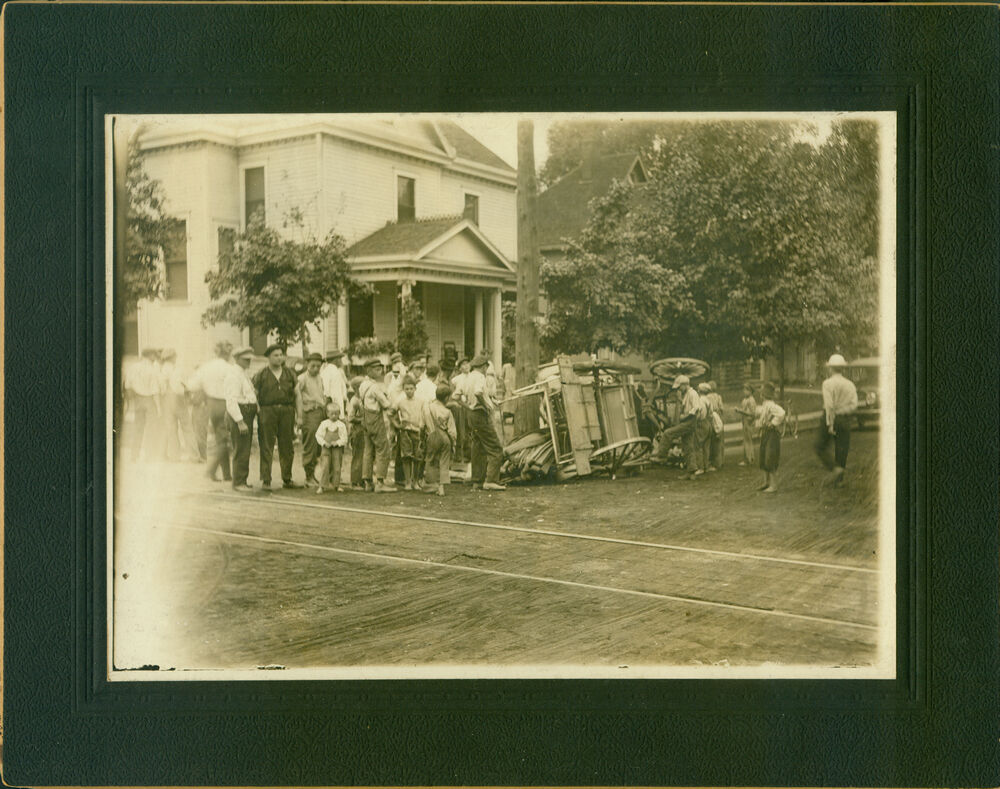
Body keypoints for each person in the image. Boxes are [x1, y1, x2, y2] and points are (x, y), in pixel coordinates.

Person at [253, 344, 303, 490]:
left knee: (287, 446)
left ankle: (287, 478)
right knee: (266, 445)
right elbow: (254, 395)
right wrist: (259, 411)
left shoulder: (290, 374)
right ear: (268, 357)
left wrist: (299, 416)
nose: (279, 358)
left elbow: (297, 395)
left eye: (281, 355)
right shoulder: (261, 374)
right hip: (267, 411)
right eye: (275, 355)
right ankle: (266, 480)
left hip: (287, 411)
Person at [190, 341, 234, 481]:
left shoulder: (206, 367)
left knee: (221, 439)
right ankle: (210, 471)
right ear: (228, 353)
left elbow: (192, 385)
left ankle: (226, 474)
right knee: (224, 440)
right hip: (224, 403)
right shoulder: (229, 368)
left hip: (211, 404)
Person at [460, 355, 505, 490]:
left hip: (472, 414)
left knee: (478, 447)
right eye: (486, 367)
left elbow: (456, 396)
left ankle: (477, 480)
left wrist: (468, 406)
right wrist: (486, 405)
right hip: (480, 414)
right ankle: (491, 480)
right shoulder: (480, 377)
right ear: (484, 367)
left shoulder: (468, 377)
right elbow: (478, 392)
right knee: (495, 447)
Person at [815, 353, 859, 486]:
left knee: (819, 446)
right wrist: (842, 412)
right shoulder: (850, 384)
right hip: (844, 419)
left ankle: (834, 469)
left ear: (830, 368)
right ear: (843, 368)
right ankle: (839, 480)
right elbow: (854, 405)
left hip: (830, 417)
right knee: (842, 448)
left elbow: (829, 405)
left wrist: (830, 423)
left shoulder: (827, 383)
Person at [358, 358, 396, 492]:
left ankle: (368, 482)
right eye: (377, 369)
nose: (380, 372)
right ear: (369, 371)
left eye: (380, 369)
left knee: (368, 450)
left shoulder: (363, 384)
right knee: (382, 449)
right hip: (375, 417)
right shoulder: (374, 387)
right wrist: (392, 404)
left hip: (365, 418)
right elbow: (385, 404)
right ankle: (380, 482)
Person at [657, 375, 705, 480]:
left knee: (668, 433)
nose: (679, 389)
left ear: (684, 384)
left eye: (679, 387)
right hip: (688, 421)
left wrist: (685, 416)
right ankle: (691, 471)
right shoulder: (686, 394)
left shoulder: (692, 393)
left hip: (690, 421)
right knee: (688, 446)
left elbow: (697, 408)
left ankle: (661, 455)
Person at [225, 346, 259, 492]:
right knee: (241, 449)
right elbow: (231, 401)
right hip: (240, 413)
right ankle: (238, 482)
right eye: (245, 359)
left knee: (245, 448)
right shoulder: (233, 375)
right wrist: (240, 421)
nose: (249, 362)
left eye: (249, 359)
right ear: (237, 359)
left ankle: (242, 480)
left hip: (247, 412)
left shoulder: (242, 373)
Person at [123, 348, 162, 462]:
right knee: (151, 429)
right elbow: (155, 390)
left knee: (138, 428)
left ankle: (134, 456)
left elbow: (127, 385)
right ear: (150, 356)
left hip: (137, 400)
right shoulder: (152, 369)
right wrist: (159, 407)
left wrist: (133, 398)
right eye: (154, 355)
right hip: (150, 400)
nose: (155, 358)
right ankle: (149, 456)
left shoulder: (133, 368)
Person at [296, 352, 327, 485]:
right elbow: (297, 396)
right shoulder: (302, 379)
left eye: (318, 366)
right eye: (313, 366)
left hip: (320, 412)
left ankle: (313, 473)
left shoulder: (320, 378)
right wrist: (299, 416)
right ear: (307, 364)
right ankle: (308, 475)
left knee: (319, 444)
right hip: (309, 412)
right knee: (310, 444)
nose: (315, 369)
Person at [423, 383, 457, 496]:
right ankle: (441, 487)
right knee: (444, 462)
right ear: (446, 398)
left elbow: (421, 425)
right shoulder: (447, 412)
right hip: (444, 437)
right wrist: (453, 443)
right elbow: (452, 431)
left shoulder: (427, 407)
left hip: (431, 435)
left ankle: (432, 485)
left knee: (431, 460)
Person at [394, 375, 425, 490]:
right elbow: (391, 412)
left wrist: (423, 427)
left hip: (417, 431)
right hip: (405, 432)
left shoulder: (421, 401)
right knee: (406, 456)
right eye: (406, 389)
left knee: (417, 457)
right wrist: (397, 425)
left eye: (411, 388)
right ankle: (407, 482)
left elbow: (425, 414)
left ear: (415, 388)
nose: (409, 391)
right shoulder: (400, 402)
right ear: (403, 389)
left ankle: (415, 481)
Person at [756, 381, 786, 493]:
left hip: (772, 434)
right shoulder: (765, 405)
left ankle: (774, 485)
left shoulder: (770, 405)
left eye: (762, 393)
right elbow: (761, 415)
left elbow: (781, 413)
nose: (760, 395)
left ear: (764, 394)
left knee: (770, 457)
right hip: (765, 433)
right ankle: (766, 482)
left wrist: (773, 423)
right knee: (763, 456)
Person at [314, 401, 348, 494]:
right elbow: (318, 435)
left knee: (337, 467)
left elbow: (344, 438)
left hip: (337, 449)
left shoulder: (341, 425)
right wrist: (324, 443)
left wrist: (337, 443)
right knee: (325, 466)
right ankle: (322, 486)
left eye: (336, 414)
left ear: (339, 414)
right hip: (326, 448)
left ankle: (336, 485)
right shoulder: (324, 424)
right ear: (327, 414)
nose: (334, 416)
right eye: (332, 414)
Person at [347, 376, 366, 490]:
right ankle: (354, 481)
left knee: (364, 455)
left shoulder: (363, 399)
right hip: (357, 430)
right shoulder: (354, 401)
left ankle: (361, 480)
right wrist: (362, 420)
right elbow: (350, 417)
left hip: (363, 430)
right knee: (357, 455)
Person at [735, 383, 758, 466]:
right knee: (746, 440)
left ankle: (748, 458)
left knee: (748, 440)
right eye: (744, 390)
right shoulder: (745, 400)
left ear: (750, 391)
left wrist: (740, 411)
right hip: (745, 421)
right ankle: (749, 457)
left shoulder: (751, 400)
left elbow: (752, 413)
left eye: (746, 390)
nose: (744, 391)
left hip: (749, 421)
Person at [705, 380, 725, 471]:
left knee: (713, 441)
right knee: (720, 440)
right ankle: (720, 460)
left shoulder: (707, 397)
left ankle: (713, 462)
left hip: (712, 417)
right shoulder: (718, 396)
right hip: (719, 417)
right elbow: (721, 409)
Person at [321, 349, 349, 413]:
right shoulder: (334, 372)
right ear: (336, 360)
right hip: (334, 407)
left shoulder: (327, 371)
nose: (341, 361)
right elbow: (335, 394)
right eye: (340, 359)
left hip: (332, 406)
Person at [696, 383, 714, 473]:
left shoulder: (700, 401)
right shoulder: (708, 400)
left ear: (700, 391)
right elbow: (711, 414)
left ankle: (700, 467)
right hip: (708, 423)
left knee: (698, 445)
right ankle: (706, 466)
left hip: (702, 423)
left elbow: (700, 414)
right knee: (707, 446)